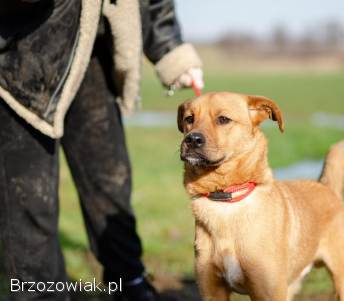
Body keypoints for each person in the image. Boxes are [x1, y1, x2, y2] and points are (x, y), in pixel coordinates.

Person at [0, 0, 203, 300]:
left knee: (111, 183)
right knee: (29, 197)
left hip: (94, 51)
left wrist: (170, 48)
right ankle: (39, 294)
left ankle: (129, 283)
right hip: (21, 56)